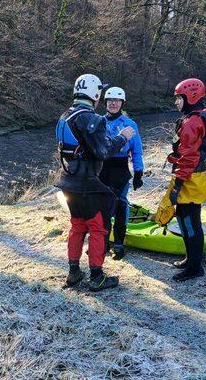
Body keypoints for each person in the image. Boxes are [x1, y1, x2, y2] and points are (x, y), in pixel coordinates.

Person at [55, 74, 135, 291]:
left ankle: (73, 273)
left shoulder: (65, 116)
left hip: (68, 182)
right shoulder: (92, 119)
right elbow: (103, 151)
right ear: (95, 94)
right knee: (99, 228)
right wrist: (124, 137)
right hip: (88, 184)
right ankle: (97, 277)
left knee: (77, 226)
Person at [155, 78, 206, 281]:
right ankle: (191, 259)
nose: (176, 103)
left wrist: (177, 184)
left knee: (190, 222)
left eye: (178, 98)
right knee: (184, 218)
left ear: (190, 97)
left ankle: (195, 268)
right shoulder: (201, 116)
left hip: (191, 179)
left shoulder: (192, 122)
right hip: (198, 176)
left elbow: (189, 157)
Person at [98, 87, 144, 261]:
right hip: (101, 171)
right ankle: (102, 244)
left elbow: (137, 151)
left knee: (120, 206)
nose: (113, 103)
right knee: (102, 208)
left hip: (120, 170)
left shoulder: (130, 124)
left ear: (122, 103)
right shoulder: (98, 122)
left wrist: (138, 172)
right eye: (110, 100)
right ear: (105, 103)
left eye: (117, 101)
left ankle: (119, 244)